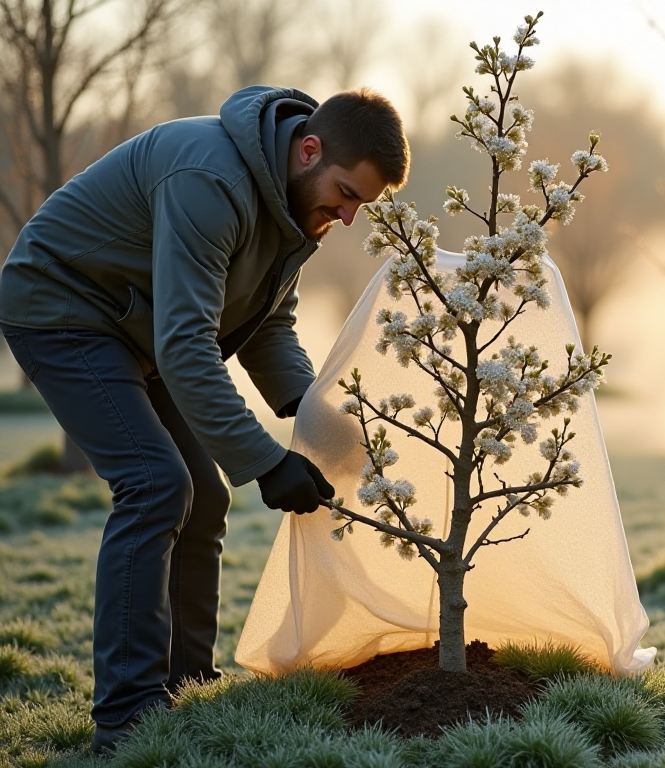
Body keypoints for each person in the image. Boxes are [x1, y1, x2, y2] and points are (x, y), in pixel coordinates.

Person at [0, 85, 409, 754]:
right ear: (309, 149)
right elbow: (187, 342)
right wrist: (267, 462)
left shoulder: (293, 205)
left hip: (138, 325)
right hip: (63, 307)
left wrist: (314, 415)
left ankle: (184, 690)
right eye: (346, 193)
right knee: (157, 484)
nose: (350, 214)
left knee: (205, 496)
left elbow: (266, 322)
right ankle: (128, 721)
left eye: (362, 203)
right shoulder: (209, 177)